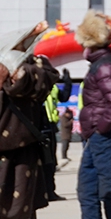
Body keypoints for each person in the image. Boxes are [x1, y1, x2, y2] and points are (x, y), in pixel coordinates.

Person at [0, 21, 58, 219]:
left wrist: (14, 72)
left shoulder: (31, 67)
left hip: (21, 155)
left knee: (19, 210)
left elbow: (46, 79)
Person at [75, 10, 111, 219]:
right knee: (87, 190)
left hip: (106, 136)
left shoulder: (105, 65)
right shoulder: (101, 63)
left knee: (109, 191)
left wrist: (101, 128)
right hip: (97, 136)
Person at [41, 66, 72, 201]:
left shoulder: (53, 88)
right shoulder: (34, 86)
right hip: (38, 128)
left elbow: (63, 97)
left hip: (50, 127)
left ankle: (50, 191)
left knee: (51, 162)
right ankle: (42, 192)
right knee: (41, 163)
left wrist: (68, 82)